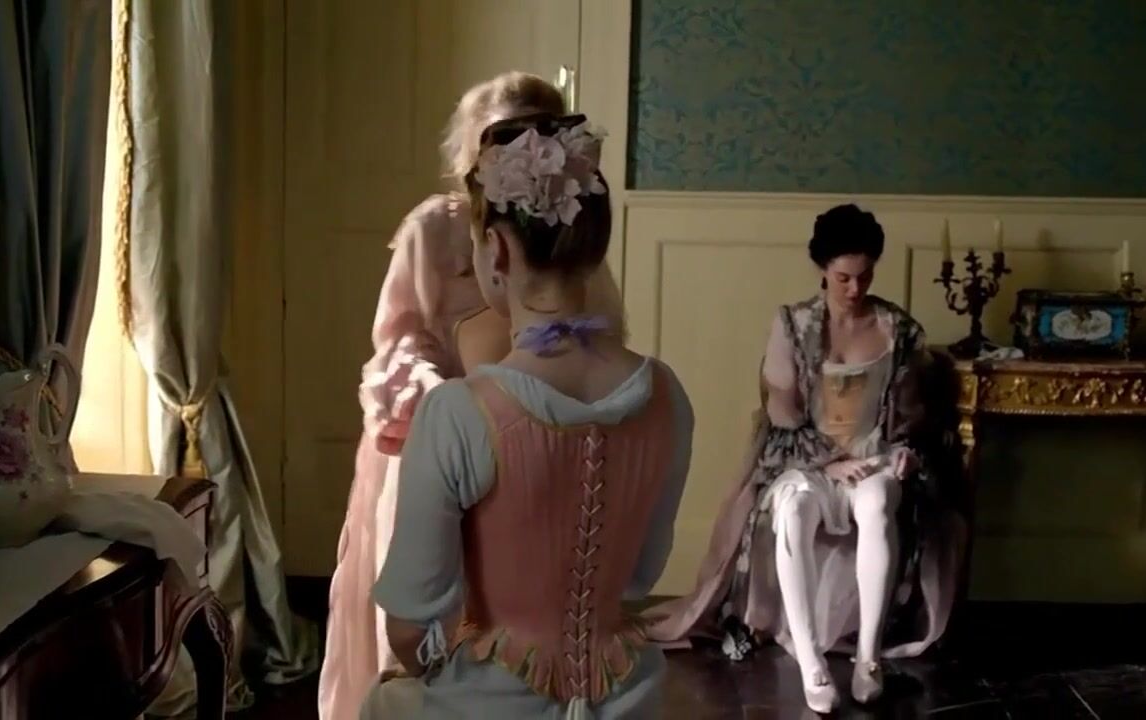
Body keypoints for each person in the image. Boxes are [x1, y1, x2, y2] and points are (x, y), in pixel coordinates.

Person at [358, 112, 694, 720]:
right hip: (630, 696)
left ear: (497, 249)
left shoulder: (459, 411)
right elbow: (641, 574)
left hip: (490, 701)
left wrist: (436, 663)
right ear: (596, 245)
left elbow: (408, 626)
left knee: (385, 701)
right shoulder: (667, 395)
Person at [317, 73, 625, 720]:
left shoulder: (571, 239)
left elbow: (600, 338)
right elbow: (399, 341)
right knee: (424, 579)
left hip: (534, 439)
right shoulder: (434, 229)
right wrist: (441, 398)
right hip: (441, 429)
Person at [645, 204, 965, 714]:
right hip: (806, 460)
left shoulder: (899, 329)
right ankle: (812, 664)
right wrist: (828, 463)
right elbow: (782, 416)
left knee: (877, 503)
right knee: (793, 507)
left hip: (873, 459)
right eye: (844, 277)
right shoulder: (793, 324)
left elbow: (914, 417)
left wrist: (902, 454)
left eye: (865, 276)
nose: (855, 288)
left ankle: (867, 660)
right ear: (822, 268)